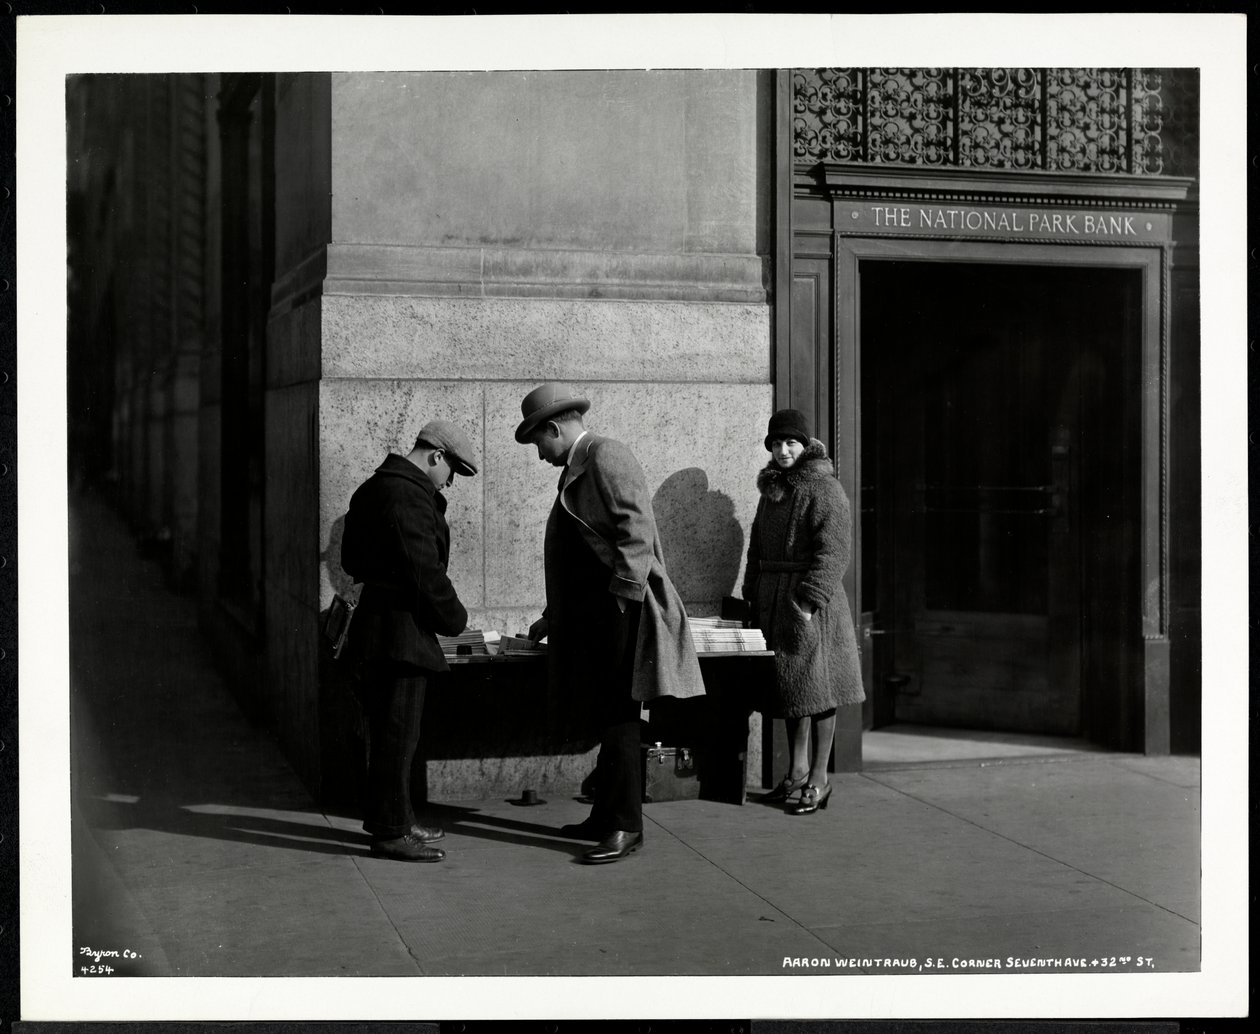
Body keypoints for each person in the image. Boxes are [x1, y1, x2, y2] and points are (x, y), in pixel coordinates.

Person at [517, 383, 705, 864]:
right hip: (596, 615)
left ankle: (625, 825)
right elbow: (579, 559)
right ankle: (606, 815)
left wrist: (619, 605)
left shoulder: (605, 455)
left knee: (620, 717)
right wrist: (553, 617)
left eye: (539, 441)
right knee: (607, 715)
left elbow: (636, 531)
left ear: (555, 428)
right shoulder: (582, 464)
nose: (539, 455)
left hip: (620, 613)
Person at [340, 420, 479, 862]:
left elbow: (349, 560)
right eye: (452, 469)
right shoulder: (406, 496)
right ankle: (389, 833)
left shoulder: (373, 489)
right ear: (435, 456)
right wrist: (456, 619)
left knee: (395, 735)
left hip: (381, 630)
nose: (451, 480)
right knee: (396, 738)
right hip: (399, 637)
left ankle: (398, 821)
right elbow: (425, 572)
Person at [742, 408, 865, 815]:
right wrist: (752, 593)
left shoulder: (823, 488)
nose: (782, 450)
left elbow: (834, 552)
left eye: (790, 442)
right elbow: (757, 546)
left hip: (813, 607)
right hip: (776, 600)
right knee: (793, 688)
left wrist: (808, 602)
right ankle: (795, 772)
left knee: (820, 689)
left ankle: (819, 778)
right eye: (776, 443)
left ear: (806, 445)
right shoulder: (774, 490)